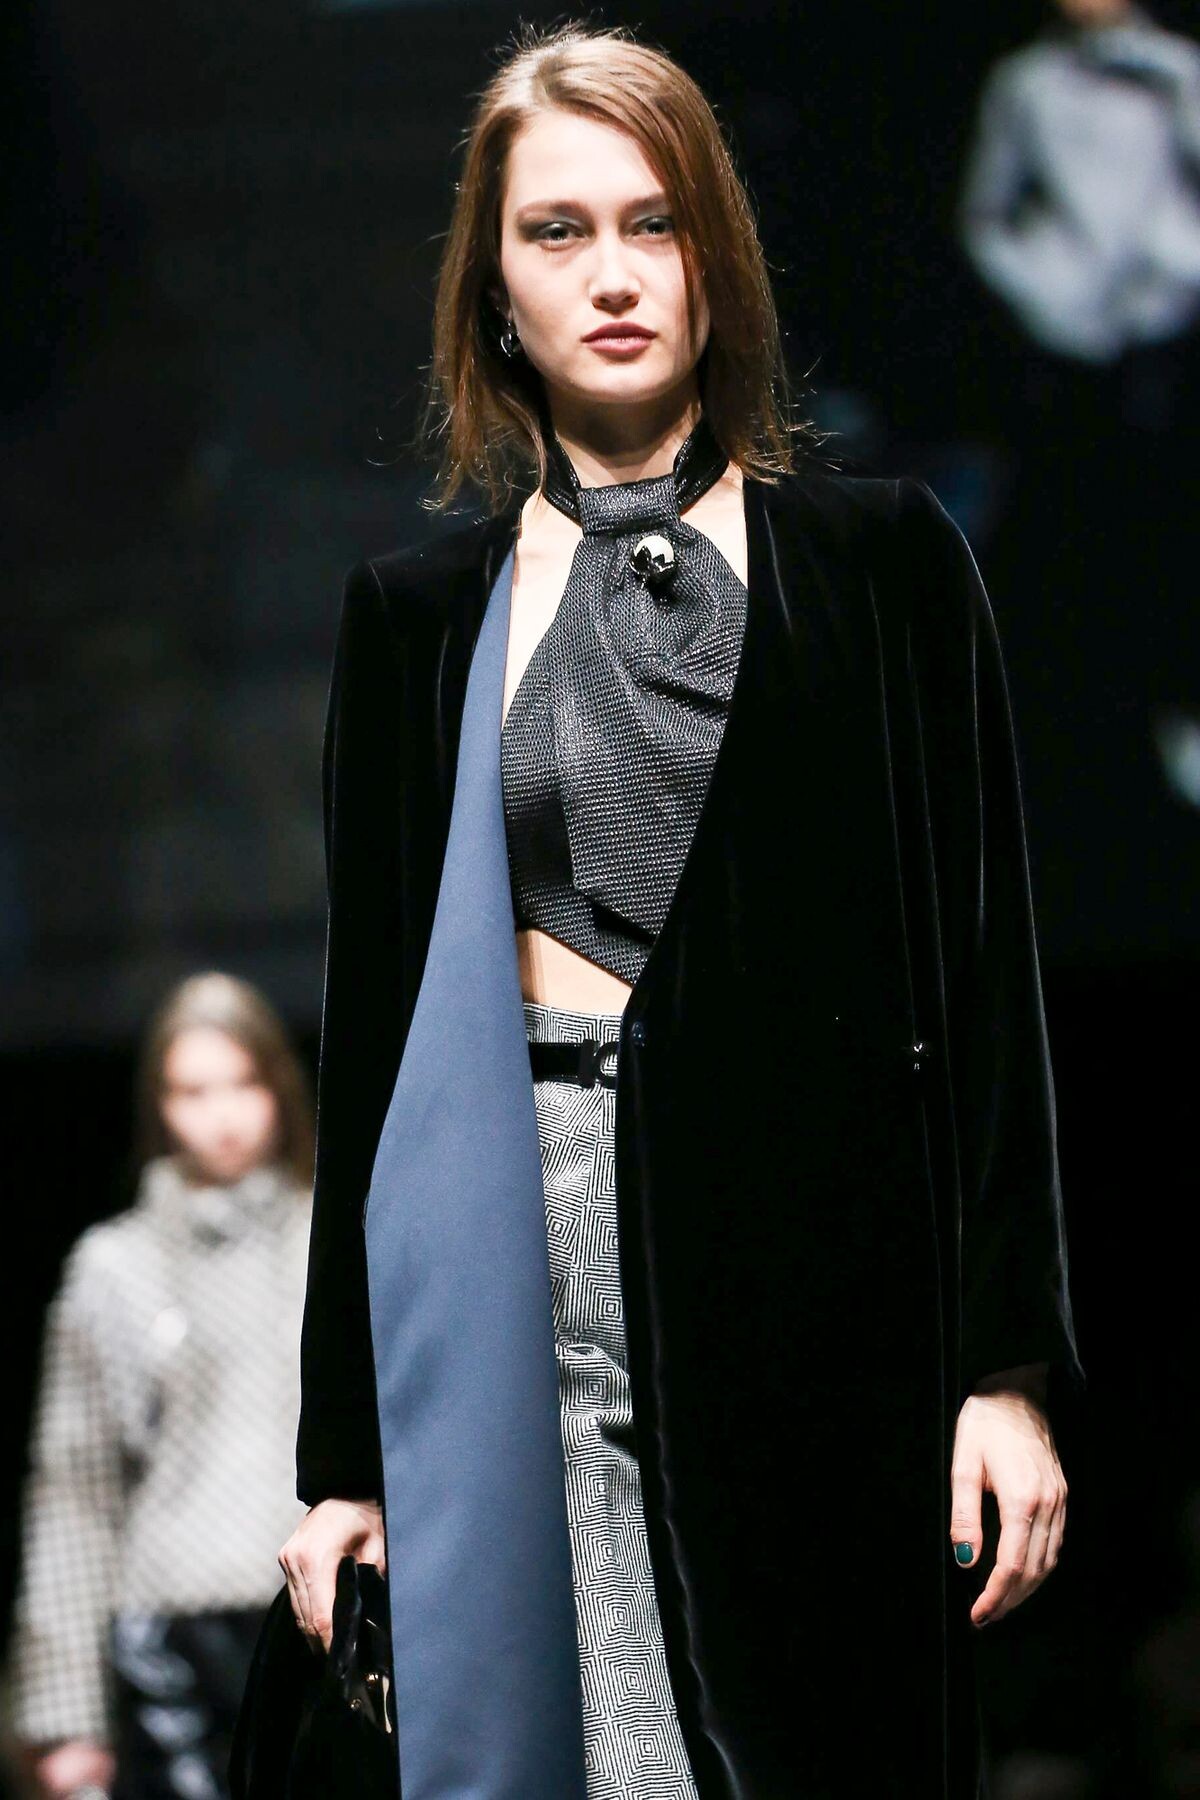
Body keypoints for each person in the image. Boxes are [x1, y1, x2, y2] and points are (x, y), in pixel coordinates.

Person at [279, 23, 1084, 1798]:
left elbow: (985, 987)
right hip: (513, 1277)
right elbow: (377, 1050)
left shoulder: (882, 569)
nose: (616, 272)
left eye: (656, 221)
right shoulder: (418, 622)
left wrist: (1008, 1367)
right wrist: (345, 1461)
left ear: (718, 258)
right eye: (557, 230)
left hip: (820, 1292)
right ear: (493, 290)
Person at [10, 972, 314, 1800]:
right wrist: (66, 1719)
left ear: (280, 1085)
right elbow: (76, 1490)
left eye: (243, 1083)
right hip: (169, 1641)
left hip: (320, 1617)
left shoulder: (335, 1243)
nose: (222, 1115)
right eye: (192, 1091)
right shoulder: (114, 1268)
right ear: (159, 1104)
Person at [960, 0, 1200, 368]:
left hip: (1168, 305)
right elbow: (984, 210)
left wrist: (1185, 258)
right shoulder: (1026, 81)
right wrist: (1034, 281)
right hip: (1068, 314)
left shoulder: (1177, 65)